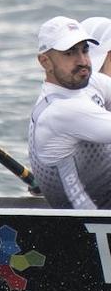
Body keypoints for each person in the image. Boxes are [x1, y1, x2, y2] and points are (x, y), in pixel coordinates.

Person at [27, 16, 111, 209]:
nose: (82, 61)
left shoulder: (91, 84)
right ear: (45, 62)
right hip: (90, 221)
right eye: (69, 53)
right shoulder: (60, 111)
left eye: (85, 50)